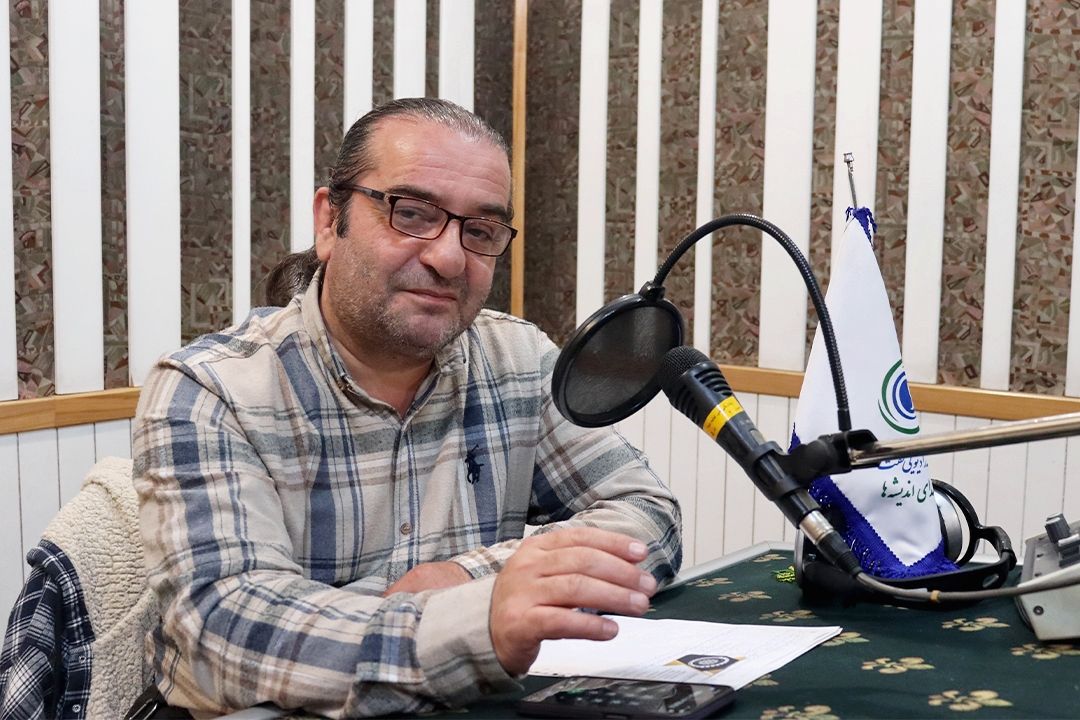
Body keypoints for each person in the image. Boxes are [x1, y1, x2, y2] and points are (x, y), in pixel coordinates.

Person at [133, 97, 682, 718]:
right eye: (412, 213)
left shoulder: (518, 358)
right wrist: (473, 622)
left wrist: (465, 578)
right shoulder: (209, 389)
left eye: (480, 230)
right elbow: (226, 629)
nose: (449, 258)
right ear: (329, 221)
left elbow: (647, 514)